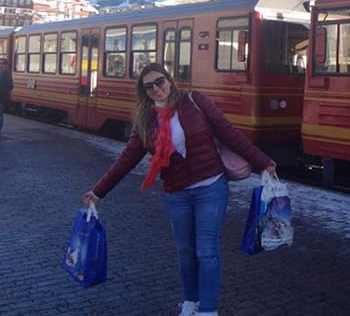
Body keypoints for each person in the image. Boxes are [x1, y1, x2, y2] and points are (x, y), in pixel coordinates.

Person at [82, 63, 276, 316]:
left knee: (206, 251)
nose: (156, 89)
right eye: (148, 86)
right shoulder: (145, 119)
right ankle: (191, 302)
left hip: (210, 186)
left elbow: (228, 133)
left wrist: (263, 162)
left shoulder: (195, 101)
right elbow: (127, 159)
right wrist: (98, 192)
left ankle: (208, 310)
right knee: (185, 251)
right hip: (176, 192)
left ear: (170, 80)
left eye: (159, 82)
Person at [0, 58, 13, 136]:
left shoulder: (6, 73)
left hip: (1, 98)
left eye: (3, 63)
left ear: (6, 65)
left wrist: (3, 91)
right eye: (0, 63)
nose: (1, 65)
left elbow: (10, 85)